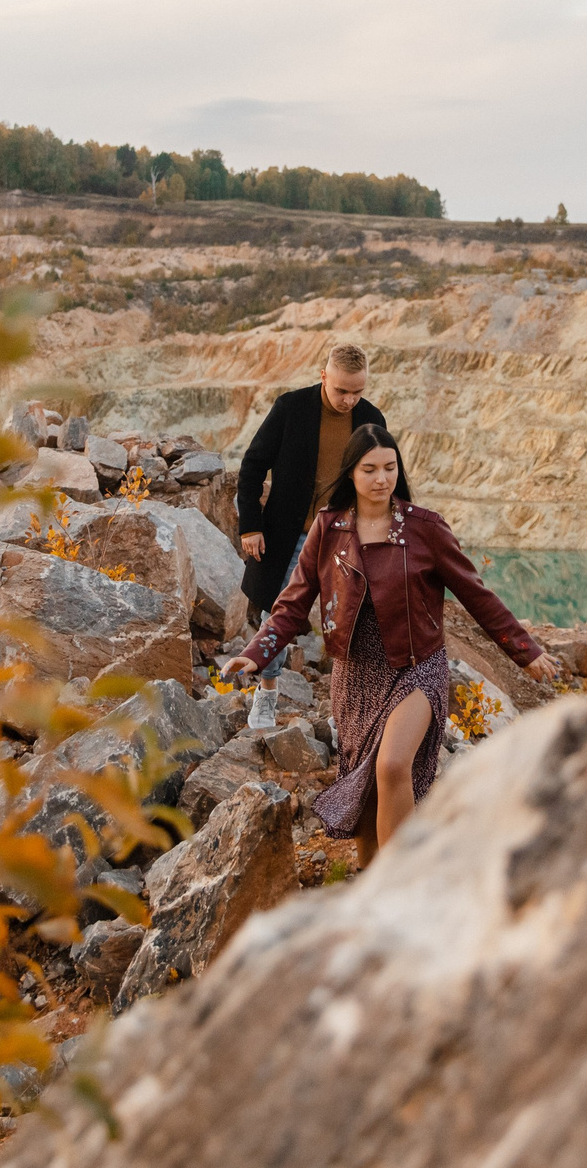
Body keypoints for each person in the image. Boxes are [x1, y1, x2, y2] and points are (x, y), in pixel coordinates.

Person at [222, 424, 563, 864]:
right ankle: (368, 886)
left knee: (391, 766)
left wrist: (526, 651)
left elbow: (478, 595)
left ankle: (397, 885)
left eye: (389, 467)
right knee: (364, 788)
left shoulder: (425, 529)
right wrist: (256, 653)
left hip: (416, 666)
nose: (381, 478)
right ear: (351, 474)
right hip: (355, 675)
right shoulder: (328, 529)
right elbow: (291, 604)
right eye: (369, 469)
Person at [234, 345, 388, 621]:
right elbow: (253, 465)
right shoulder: (291, 408)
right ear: (324, 377)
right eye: (342, 391)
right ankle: (268, 666)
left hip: (346, 538)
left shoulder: (371, 420)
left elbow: (382, 480)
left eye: (357, 392)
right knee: (280, 614)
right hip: (293, 535)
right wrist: (250, 527)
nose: (349, 400)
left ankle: (341, 666)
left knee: (350, 618)